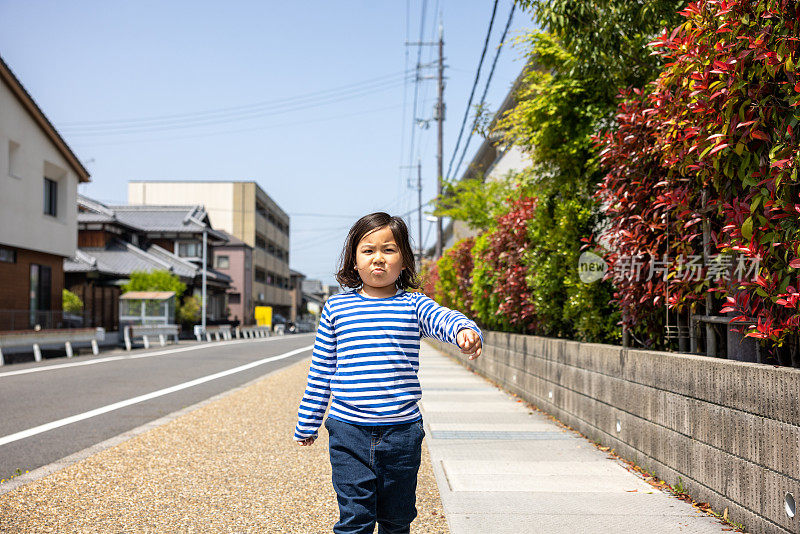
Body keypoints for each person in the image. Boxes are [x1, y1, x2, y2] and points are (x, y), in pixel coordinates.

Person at [293, 212, 482, 534]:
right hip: (347, 428)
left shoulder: (414, 305)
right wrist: (308, 422)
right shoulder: (336, 308)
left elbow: (446, 319)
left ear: (405, 260)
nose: (378, 258)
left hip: (402, 432)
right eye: (368, 251)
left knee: (397, 518)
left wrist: (465, 330)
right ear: (353, 260)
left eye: (389, 250)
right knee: (355, 517)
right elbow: (321, 369)